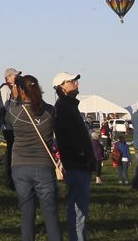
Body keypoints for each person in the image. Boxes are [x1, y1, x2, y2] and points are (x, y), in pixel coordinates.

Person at [6, 75, 62, 241]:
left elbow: (6, 119)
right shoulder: (50, 111)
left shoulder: (15, 113)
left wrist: (15, 97)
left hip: (20, 165)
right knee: (50, 213)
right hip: (44, 165)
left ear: (21, 90)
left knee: (27, 213)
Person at [52, 72, 94, 241]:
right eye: (72, 81)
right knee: (78, 210)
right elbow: (68, 138)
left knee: (79, 209)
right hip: (76, 163)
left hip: (79, 162)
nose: (76, 83)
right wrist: (82, 156)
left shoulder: (68, 106)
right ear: (62, 86)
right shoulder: (63, 107)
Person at [0, 67, 22, 190]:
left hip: (11, 123)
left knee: (12, 150)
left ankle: (12, 178)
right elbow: (7, 107)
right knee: (11, 151)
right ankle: (9, 179)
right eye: (14, 75)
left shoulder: (13, 88)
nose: (16, 77)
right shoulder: (5, 89)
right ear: (7, 77)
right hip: (8, 125)